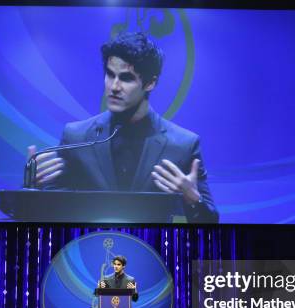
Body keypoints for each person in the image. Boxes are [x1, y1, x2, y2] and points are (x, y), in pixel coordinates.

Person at [32, 31, 218, 223]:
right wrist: (32, 188)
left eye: (126, 78)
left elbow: (211, 224)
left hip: (152, 250)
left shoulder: (183, 145)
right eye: (110, 75)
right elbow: (52, 217)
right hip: (89, 249)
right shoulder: (77, 137)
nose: (114, 86)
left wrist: (193, 200)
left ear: (150, 83)